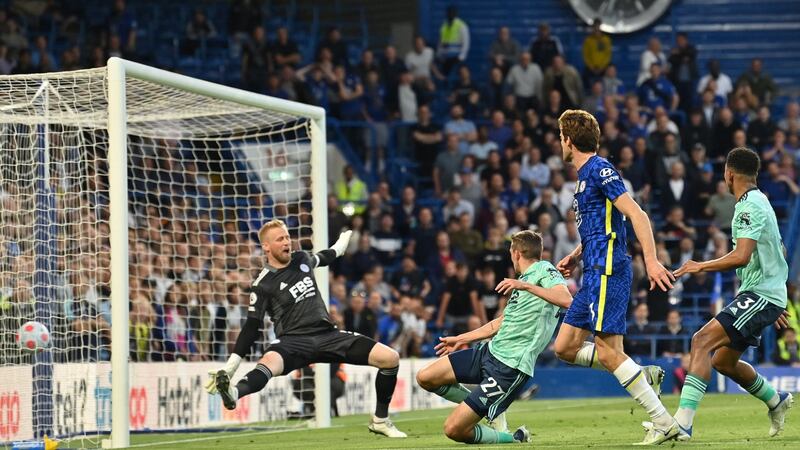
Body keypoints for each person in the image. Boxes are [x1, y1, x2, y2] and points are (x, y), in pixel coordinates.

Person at [206, 221, 407, 437]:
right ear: (266, 247)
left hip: (328, 334)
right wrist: (231, 366)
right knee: (267, 364)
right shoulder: (262, 284)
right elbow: (251, 327)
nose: (287, 242)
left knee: (390, 358)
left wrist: (340, 245)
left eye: (287, 237)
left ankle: (380, 420)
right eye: (280, 239)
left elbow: (325, 256)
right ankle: (234, 393)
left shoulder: (301, 259)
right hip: (293, 341)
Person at [551, 110, 679, 445]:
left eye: (560, 135)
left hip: (607, 269)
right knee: (564, 347)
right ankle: (639, 372)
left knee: (608, 353)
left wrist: (651, 261)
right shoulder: (583, 177)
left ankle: (664, 422)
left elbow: (636, 214)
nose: (559, 141)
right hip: (592, 268)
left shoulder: (599, 169)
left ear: (568, 138)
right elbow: (602, 225)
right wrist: (576, 254)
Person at [668, 147, 793, 441]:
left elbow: (742, 256)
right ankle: (776, 400)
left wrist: (700, 266)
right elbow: (780, 250)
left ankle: (682, 424)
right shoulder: (762, 201)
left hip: (761, 293)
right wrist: (775, 296)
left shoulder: (748, 206)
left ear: (729, 174)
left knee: (700, 341)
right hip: (764, 293)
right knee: (722, 362)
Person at [416, 230, 572, 444]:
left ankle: (513, 438)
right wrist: (462, 338)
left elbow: (566, 299)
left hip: (510, 367)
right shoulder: (523, 280)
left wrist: (525, 285)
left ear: (516, 253)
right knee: (425, 377)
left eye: (510, 253)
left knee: (453, 429)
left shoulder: (544, 270)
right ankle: (490, 409)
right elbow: (499, 323)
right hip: (488, 352)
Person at [437, 5, 470, 75]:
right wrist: (439, 55)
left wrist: (461, 57)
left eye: (452, 12)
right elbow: (440, 42)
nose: (450, 14)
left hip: (456, 59)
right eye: (449, 12)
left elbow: (466, 43)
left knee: (455, 77)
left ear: (456, 14)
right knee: (445, 78)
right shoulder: (444, 25)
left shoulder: (461, 25)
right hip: (445, 58)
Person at [582, 19, 611, 89]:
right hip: (591, 69)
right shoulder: (588, 40)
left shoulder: (606, 40)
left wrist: (602, 67)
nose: (597, 29)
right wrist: (591, 67)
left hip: (603, 68)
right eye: (595, 27)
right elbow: (585, 55)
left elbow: (608, 55)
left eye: (598, 27)